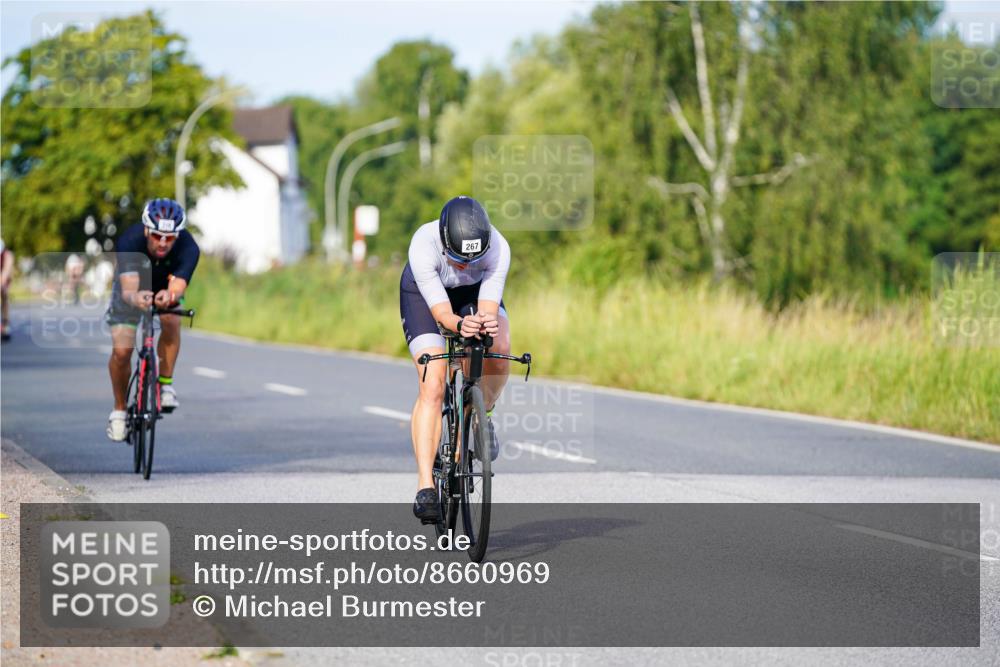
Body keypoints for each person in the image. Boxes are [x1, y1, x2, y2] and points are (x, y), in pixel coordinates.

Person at [399, 196, 512, 523]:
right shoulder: (423, 244)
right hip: (426, 297)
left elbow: (488, 310)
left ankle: (482, 415)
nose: (464, 264)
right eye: (458, 258)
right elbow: (443, 314)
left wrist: (483, 325)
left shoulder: (499, 248)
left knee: (498, 348)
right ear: (444, 241)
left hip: (472, 296)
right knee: (432, 383)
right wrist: (460, 325)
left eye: (471, 259)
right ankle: (425, 486)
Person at [105, 199, 200, 441]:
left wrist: (169, 295)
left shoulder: (189, 247)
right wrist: (137, 298)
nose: (163, 243)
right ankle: (119, 411)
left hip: (161, 286)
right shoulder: (130, 241)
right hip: (130, 289)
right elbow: (128, 289)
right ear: (147, 229)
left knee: (171, 319)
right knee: (122, 352)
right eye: (158, 236)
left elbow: (178, 285)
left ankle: (165, 383)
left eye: (170, 237)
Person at [1, 239, 13, 342]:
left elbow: (6, 270)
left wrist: (2, 281)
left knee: (4, 294)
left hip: (3, 276)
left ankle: (6, 325)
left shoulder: (7, 255)